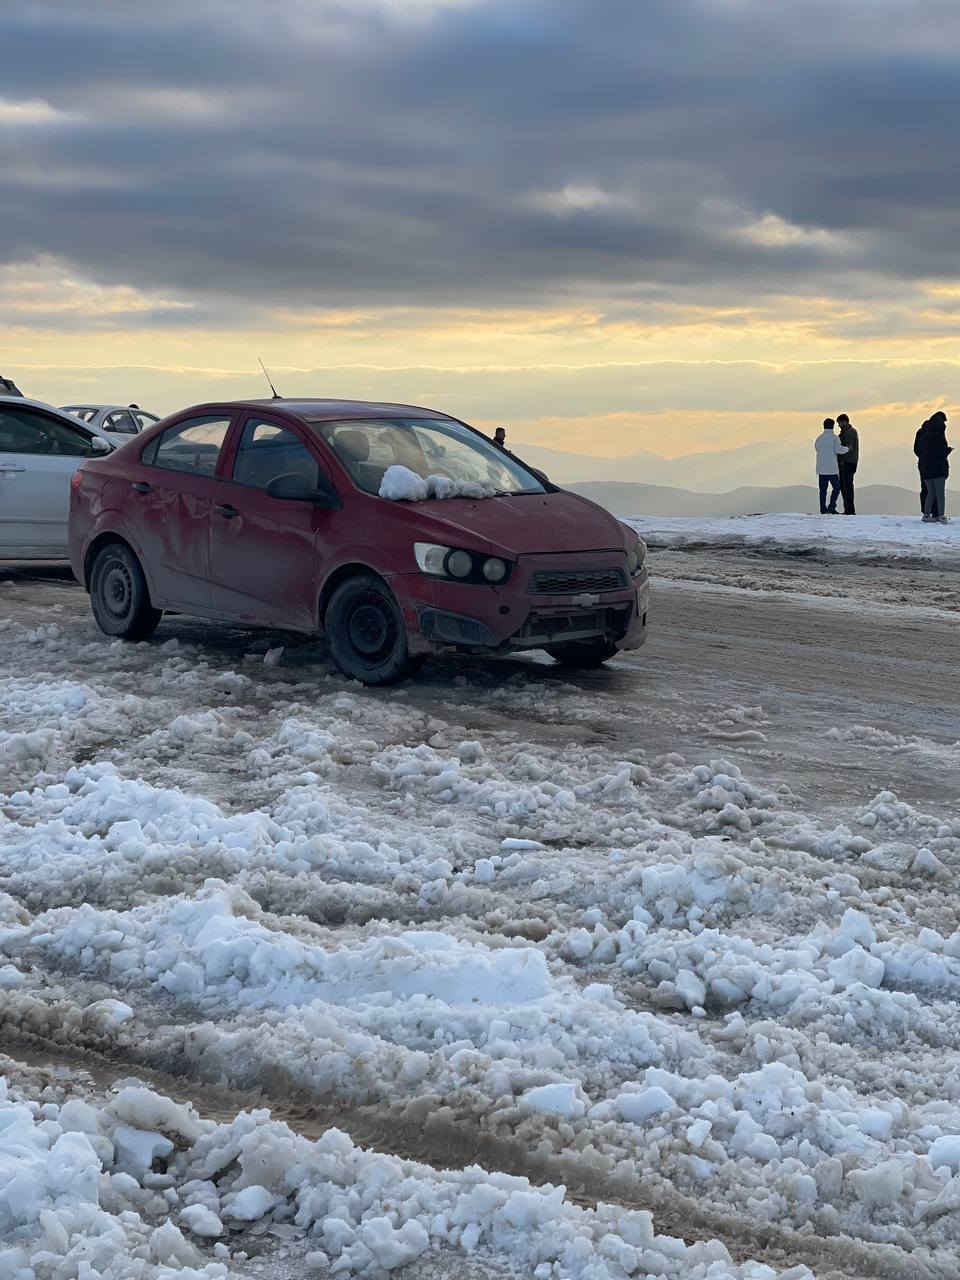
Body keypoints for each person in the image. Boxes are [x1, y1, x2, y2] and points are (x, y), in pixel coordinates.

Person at [915, 410, 952, 523]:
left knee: (929, 492)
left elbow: (917, 450)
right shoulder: (939, 433)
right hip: (938, 468)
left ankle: (926, 514)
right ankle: (940, 515)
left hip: (925, 467)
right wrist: (947, 451)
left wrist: (924, 459)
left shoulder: (922, 432)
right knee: (940, 493)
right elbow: (940, 450)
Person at [814, 418, 847, 513]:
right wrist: (847, 449)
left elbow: (816, 448)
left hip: (821, 469)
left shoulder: (819, 438)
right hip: (832, 469)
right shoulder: (835, 438)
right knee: (837, 488)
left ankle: (823, 509)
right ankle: (831, 507)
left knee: (823, 491)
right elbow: (838, 450)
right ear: (832, 426)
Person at [914, 418, 940, 520]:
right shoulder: (933, 434)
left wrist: (923, 457)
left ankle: (926, 511)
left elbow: (916, 449)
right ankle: (934, 512)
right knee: (933, 489)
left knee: (925, 488)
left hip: (923, 465)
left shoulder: (920, 433)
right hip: (932, 465)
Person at [836, 413, 859, 514]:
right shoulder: (849, 432)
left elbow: (848, 448)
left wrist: (840, 458)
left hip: (847, 463)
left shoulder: (849, 433)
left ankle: (849, 510)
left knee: (846, 487)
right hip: (849, 462)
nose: (839, 425)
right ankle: (848, 509)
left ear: (844, 422)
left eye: (840, 423)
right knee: (845, 486)